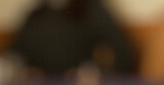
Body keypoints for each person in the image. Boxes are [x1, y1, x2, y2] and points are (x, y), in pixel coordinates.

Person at [8, 0, 137, 77]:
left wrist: (99, 74)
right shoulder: (36, 14)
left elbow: (124, 55)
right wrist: (22, 73)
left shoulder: (89, 8)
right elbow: (13, 55)